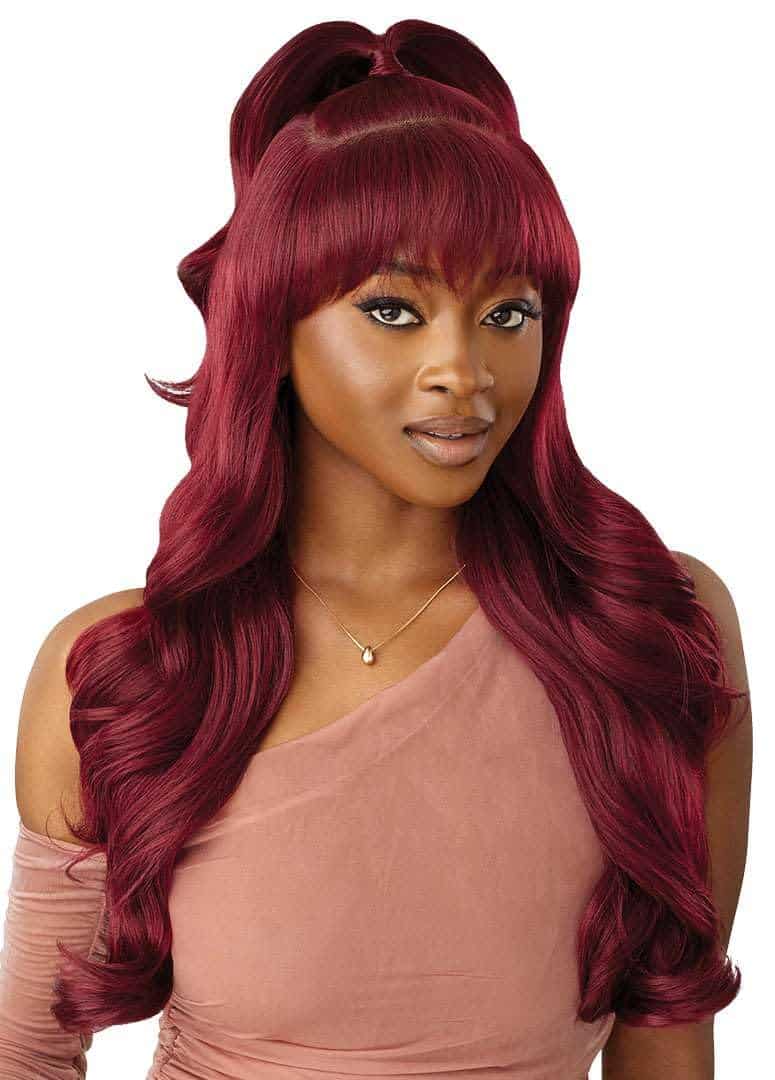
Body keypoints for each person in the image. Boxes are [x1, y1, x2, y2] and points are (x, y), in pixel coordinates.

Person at [0, 17, 752, 1080]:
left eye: (508, 312)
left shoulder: (644, 630)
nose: (464, 369)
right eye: (394, 309)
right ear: (272, 328)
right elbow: (26, 1055)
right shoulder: (128, 668)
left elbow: (667, 1038)